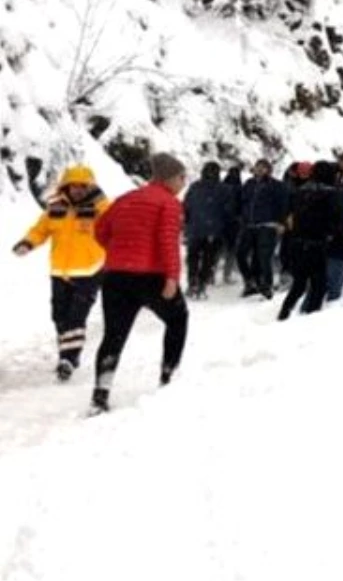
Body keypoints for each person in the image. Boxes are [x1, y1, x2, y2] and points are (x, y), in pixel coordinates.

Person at [90, 153, 189, 414]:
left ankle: (100, 395)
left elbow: (100, 230)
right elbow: (168, 242)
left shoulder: (125, 199)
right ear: (168, 179)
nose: (184, 182)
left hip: (115, 276)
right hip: (151, 276)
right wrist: (171, 278)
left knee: (114, 335)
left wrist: (119, 252)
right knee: (178, 319)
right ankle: (168, 377)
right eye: (181, 177)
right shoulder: (169, 203)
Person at [11, 165, 111, 381]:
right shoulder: (56, 207)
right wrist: (28, 243)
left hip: (90, 270)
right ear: (65, 186)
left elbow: (115, 229)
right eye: (72, 186)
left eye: (82, 186)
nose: (77, 190)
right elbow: (40, 230)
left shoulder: (101, 207)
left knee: (77, 315)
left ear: (89, 186)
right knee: (59, 315)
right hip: (60, 271)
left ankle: (68, 358)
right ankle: (68, 352)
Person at [278, 161, 343, 320]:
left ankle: (284, 313)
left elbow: (292, 215)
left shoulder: (301, 191)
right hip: (318, 243)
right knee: (318, 284)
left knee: (298, 284)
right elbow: (336, 221)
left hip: (298, 242)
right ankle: (310, 318)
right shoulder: (331, 194)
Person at [237, 159, 289, 299]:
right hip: (249, 225)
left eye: (263, 167)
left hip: (268, 225)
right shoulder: (249, 184)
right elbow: (242, 202)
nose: (259, 170)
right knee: (240, 254)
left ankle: (267, 286)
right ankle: (250, 281)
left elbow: (283, 205)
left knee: (264, 257)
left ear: (268, 170)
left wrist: (281, 222)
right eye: (257, 167)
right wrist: (241, 217)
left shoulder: (276, 186)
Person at [183, 161, 233, 299]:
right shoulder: (225, 189)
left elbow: (186, 207)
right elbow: (228, 212)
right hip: (214, 230)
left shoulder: (195, 187)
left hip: (195, 228)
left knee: (193, 257)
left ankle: (192, 281)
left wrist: (186, 225)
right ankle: (201, 285)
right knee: (208, 259)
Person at [312, 162, 343, 302]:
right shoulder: (338, 194)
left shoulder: (323, 192)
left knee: (320, 283)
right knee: (332, 283)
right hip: (335, 242)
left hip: (323, 241)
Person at [221, 166, 243, 284]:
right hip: (234, 223)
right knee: (231, 249)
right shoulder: (240, 188)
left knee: (219, 249)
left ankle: (211, 274)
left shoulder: (221, 187)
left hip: (220, 222)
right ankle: (227, 274)